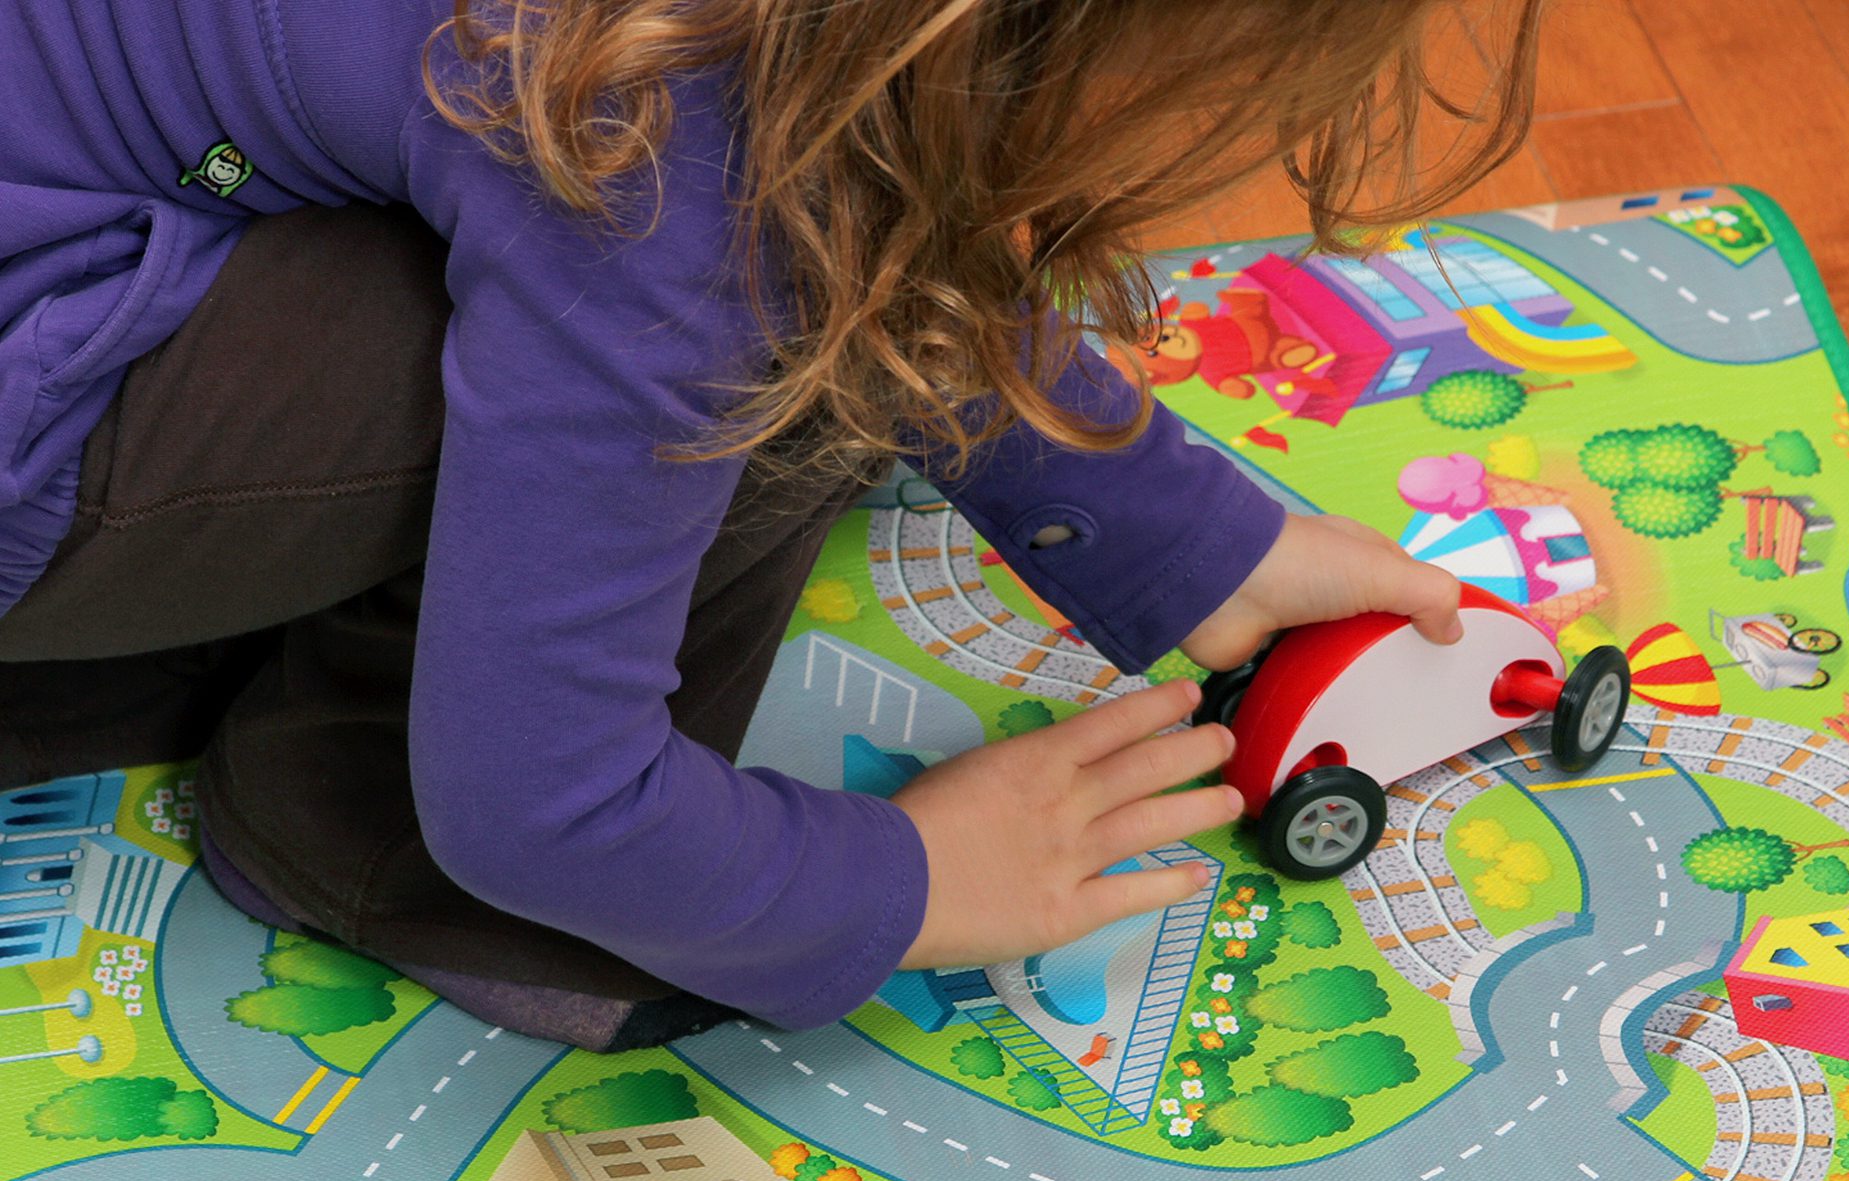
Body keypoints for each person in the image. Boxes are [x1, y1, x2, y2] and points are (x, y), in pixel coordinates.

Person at [0, 0, 1541, 1050]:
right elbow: (545, 806)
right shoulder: (679, 147)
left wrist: (1176, 532)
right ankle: (364, 840)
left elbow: (824, 138)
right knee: (794, 339)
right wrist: (913, 882)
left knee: (744, 258)